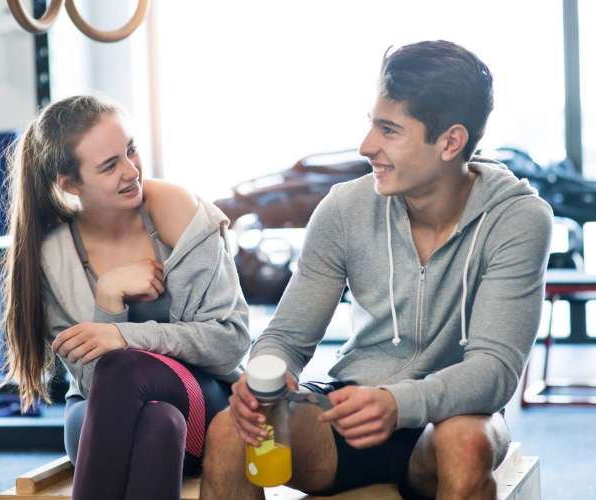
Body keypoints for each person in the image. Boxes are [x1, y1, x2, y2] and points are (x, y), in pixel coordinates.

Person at [201, 40, 553, 500]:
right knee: (231, 431)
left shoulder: (519, 219)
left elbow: (494, 370)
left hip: (451, 417)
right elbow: (287, 337)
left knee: (465, 444)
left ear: (451, 141)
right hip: (353, 402)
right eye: (372, 125)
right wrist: (265, 374)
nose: (367, 147)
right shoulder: (345, 207)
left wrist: (399, 403)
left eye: (390, 131)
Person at [0, 95, 251, 500]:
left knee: (126, 369)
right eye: (109, 165)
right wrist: (108, 296)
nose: (131, 171)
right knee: (156, 424)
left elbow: (231, 343)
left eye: (130, 149)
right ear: (70, 184)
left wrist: (124, 336)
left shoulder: (176, 212)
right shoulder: (54, 257)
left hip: (204, 403)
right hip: (101, 415)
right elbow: (88, 378)